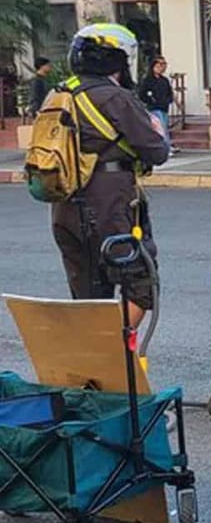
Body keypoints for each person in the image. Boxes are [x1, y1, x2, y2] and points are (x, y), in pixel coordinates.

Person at [50, 24, 169, 328]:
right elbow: (156, 151)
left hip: (65, 206)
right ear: (117, 60)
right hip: (110, 206)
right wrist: (158, 132)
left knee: (89, 296)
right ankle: (112, 350)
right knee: (141, 285)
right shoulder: (115, 97)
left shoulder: (60, 94)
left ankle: (91, 354)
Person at [138, 55, 176, 156]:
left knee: (164, 127)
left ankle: (165, 146)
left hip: (164, 107)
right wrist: (151, 100)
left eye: (164, 64)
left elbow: (169, 93)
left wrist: (168, 100)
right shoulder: (148, 80)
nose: (162, 67)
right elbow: (142, 94)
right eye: (159, 65)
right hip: (154, 108)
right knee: (161, 127)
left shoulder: (164, 80)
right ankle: (165, 148)